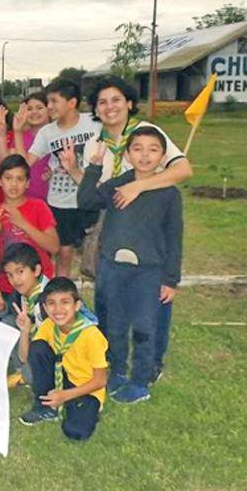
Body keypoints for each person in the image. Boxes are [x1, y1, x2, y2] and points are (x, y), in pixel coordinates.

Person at [73, 76, 193, 383]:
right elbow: (93, 195)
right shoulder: (94, 144)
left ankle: (151, 361)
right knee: (108, 300)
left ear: (128, 103)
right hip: (114, 229)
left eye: (116, 99)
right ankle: (111, 360)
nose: (109, 107)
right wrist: (86, 171)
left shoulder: (145, 134)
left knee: (153, 305)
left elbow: (182, 169)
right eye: (102, 102)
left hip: (149, 232)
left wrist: (138, 185)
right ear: (96, 109)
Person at [77, 128, 182, 404]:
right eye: (138, 148)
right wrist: (94, 167)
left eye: (153, 149)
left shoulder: (169, 194)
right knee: (115, 325)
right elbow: (86, 201)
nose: (145, 155)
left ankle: (140, 381)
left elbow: (174, 238)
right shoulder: (117, 185)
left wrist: (170, 280)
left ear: (162, 156)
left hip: (149, 272)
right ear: (127, 154)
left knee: (145, 327)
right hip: (113, 269)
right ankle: (119, 372)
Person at [14, 78, 100, 278]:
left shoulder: (94, 123)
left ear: (71, 103)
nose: (49, 106)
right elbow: (25, 162)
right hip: (61, 203)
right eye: (48, 101)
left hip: (91, 199)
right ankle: (62, 292)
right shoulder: (47, 132)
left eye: (54, 101)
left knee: (96, 254)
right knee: (64, 253)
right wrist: (18, 132)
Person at [14, 277, 108, 441]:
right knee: (38, 348)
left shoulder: (91, 335)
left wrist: (64, 396)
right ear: (44, 307)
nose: (58, 309)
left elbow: (100, 380)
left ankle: (77, 406)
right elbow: (24, 357)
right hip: (64, 378)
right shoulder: (49, 325)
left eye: (65, 302)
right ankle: (46, 406)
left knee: (75, 431)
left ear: (77, 305)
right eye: (51, 303)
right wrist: (25, 331)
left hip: (86, 387)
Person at [0, 155, 59, 300]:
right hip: (9, 287)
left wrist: (23, 223)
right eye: (8, 178)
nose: (14, 184)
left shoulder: (39, 206)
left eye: (19, 179)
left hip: (40, 285)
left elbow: (54, 247)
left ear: (27, 183)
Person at [1, 242, 51, 387]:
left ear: (36, 270)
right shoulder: (23, 292)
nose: (15, 280)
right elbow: (11, 314)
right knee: (8, 322)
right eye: (10, 275)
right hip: (33, 342)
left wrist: (26, 332)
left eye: (20, 272)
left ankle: (26, 374)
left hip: (52, 352)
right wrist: (1, 308)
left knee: (31, 375)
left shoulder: (48, 299)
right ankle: (21, 371)